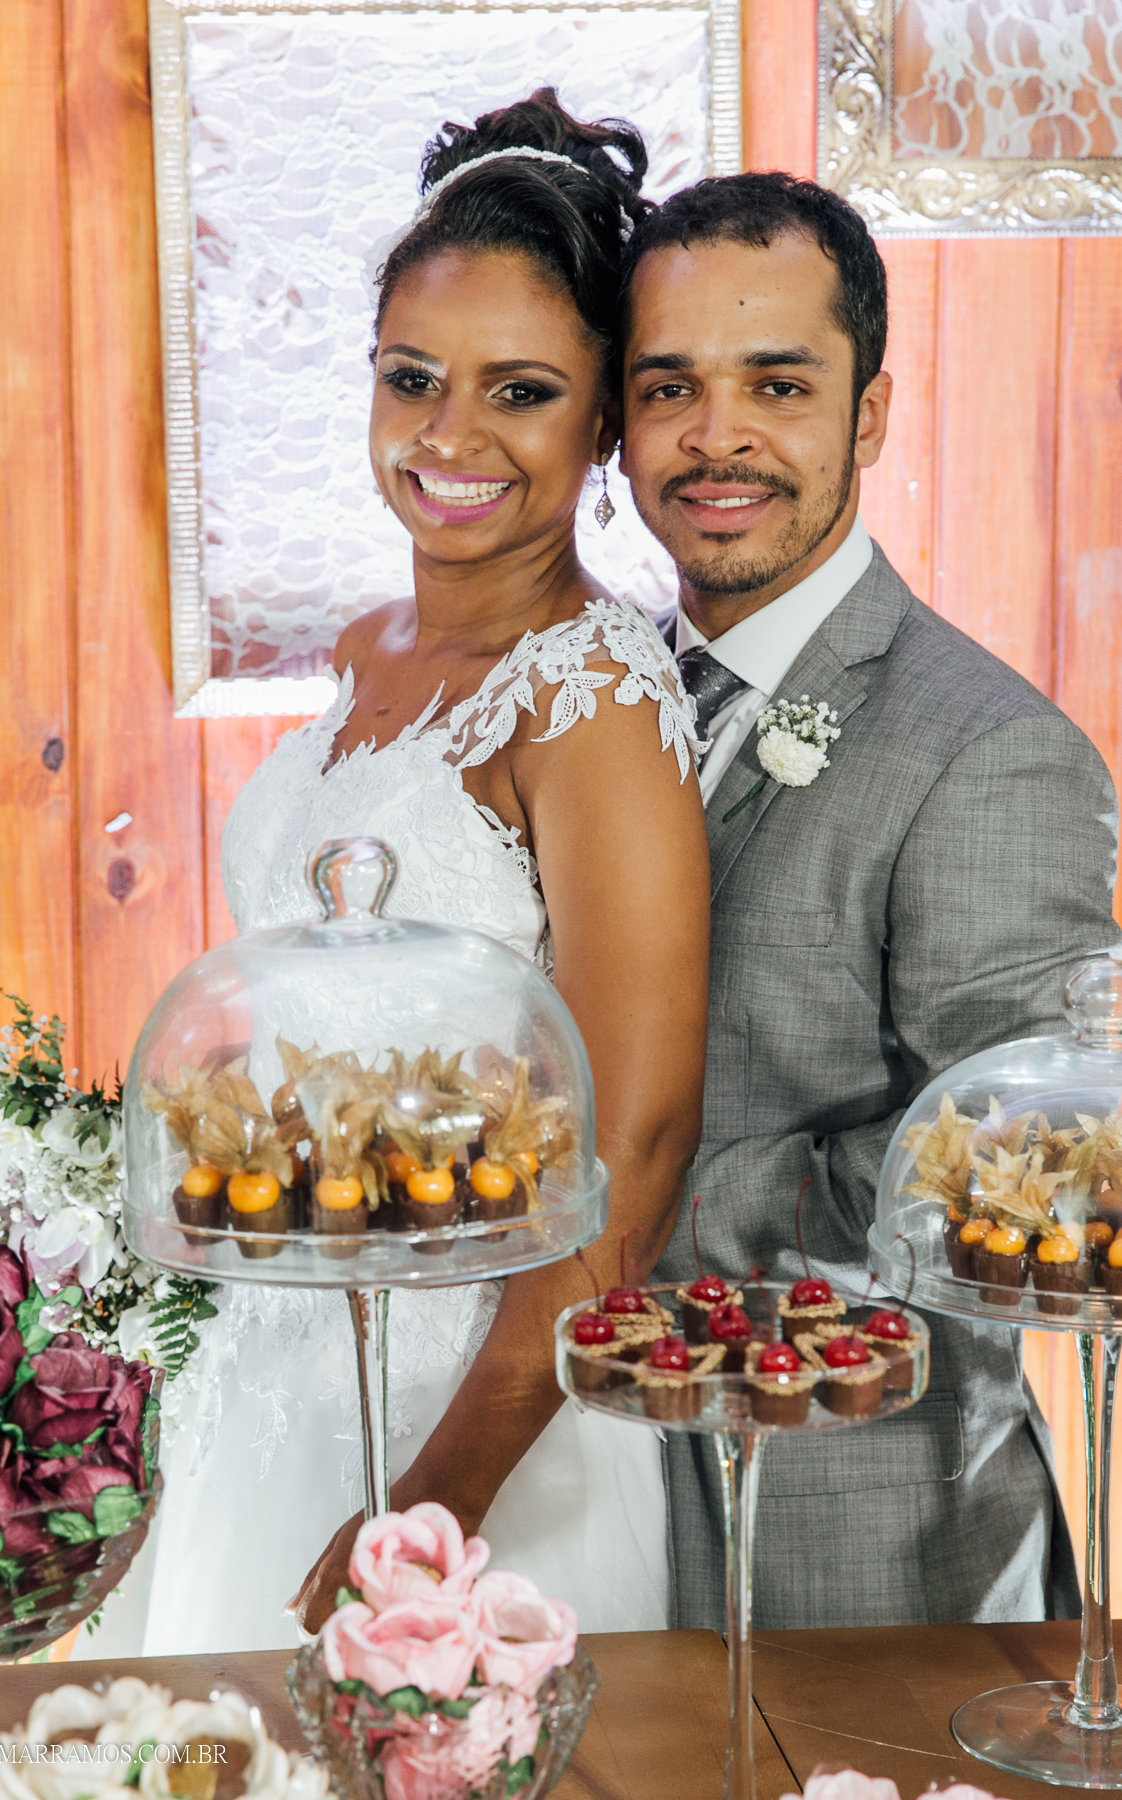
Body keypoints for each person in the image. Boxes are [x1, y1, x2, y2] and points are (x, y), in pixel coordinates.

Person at [134, 92, 709, 1653]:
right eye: (412, 381)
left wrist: (432, 1504)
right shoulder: (370, 645)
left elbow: (638, 1146)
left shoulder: (591, 704)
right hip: (278, 1335)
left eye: (519, 392)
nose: (449, 439)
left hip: (483, 1406)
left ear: (601, 422)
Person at [617, 171, 1119, 1629]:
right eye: (670, 389)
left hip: (863, 1538)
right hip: (597, 1485)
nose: (718, 439)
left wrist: (613, 1198)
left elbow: (1010, 1165)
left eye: (778, 383)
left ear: (871, 415)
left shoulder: (988, 749)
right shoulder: (601, 694)